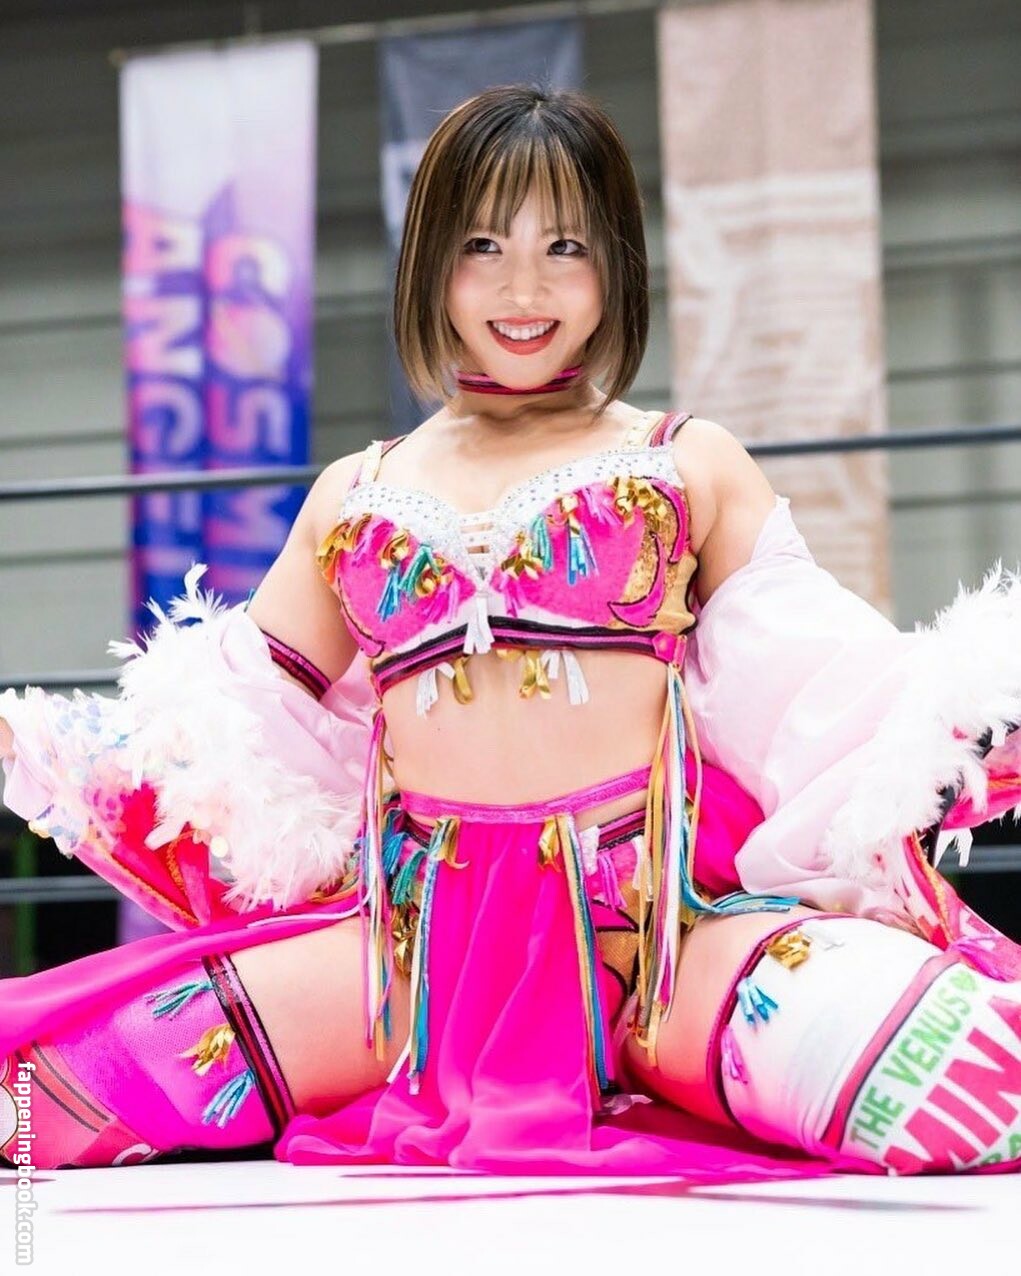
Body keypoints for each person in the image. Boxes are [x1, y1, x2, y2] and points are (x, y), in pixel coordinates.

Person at [2, 83, 1021, 1180]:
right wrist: (55, 746)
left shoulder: (687, 462)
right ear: (430, 260)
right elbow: (237, 722)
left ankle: (682, 1058)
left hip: (655, 945)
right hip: (403, 969)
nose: (522, 288)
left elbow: (818, 675)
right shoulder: (355, 493)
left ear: (615, 263)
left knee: (963, 1076)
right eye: (482, 245)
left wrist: (968, 704)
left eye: (563, 247)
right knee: (38, 1099)